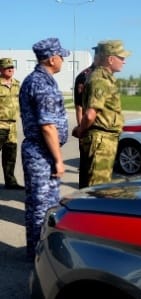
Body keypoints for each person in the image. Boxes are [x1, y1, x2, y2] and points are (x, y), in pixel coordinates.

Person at [19, 37, 70, 261]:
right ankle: (41, 256)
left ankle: (34, 252)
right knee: (44, 205)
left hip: (37, 150)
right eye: (61, 57)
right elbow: (48, 126)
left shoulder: (35, 80)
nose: (63, 61)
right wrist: (58, 160)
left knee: (35, 204)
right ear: (52, 59)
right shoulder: (42, 84)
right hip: (42, 152)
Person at [72, 40, 131, 188]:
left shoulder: (104, 77)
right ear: (110, 59)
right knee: (97, 190)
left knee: (94, 187)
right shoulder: (100, 80)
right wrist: (80, 130)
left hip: (104, 139)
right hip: (101, 141)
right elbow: (91, 114)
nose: (124, 61)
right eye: (121, 58)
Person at [0, 57, 24, 190]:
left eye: (12, 67)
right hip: (0, 124)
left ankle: (10, 181)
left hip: (12, 126)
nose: (10, 69)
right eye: (7, 67)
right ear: (0, 69)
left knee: (10, 155)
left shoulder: (17, 84)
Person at [74, 46, 100, 126]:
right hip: (91, 128)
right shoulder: (85, 76)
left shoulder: (106, 76)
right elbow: (79, 106)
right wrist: (80, 129)